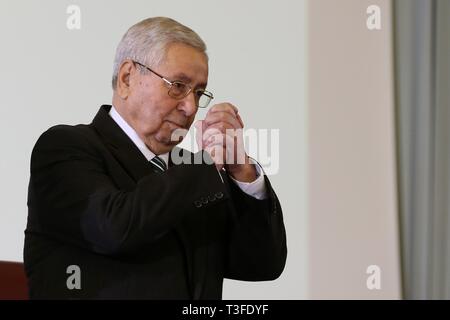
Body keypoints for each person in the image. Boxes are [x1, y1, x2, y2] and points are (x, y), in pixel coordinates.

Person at [24, 17, 287, 299]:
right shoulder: (65, 147)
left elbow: (261, 265)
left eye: (199, 92)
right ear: (127, 78)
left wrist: (242, 172)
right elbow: (114, 229)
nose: (190, 106)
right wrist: (208, 165)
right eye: (177, 85)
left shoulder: (195, 169)